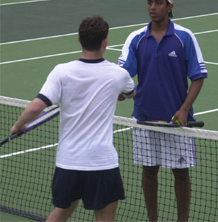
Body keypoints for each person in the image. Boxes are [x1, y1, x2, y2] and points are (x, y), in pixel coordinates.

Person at [11, 15, 136, 222]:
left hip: (68, 161)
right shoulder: (119, 74)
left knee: (63, 211)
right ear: (105, 42)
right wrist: (120, 94)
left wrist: (18, 125)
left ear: (79, 40)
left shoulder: (61, 71)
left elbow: (36, 107)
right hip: (101, 163)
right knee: (106, 216)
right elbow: (130, 93)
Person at [118, 0, 208, 222]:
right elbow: (122, 75)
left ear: (169, 7)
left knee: (180, 172)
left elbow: (198, 77)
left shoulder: (184, 37)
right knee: (149, 171)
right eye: (149, 2)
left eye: (158, 3)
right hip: (145, 118)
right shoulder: (136, 38)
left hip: (176, 121)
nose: (152, 7)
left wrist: (185, 109)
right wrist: (119, 91)